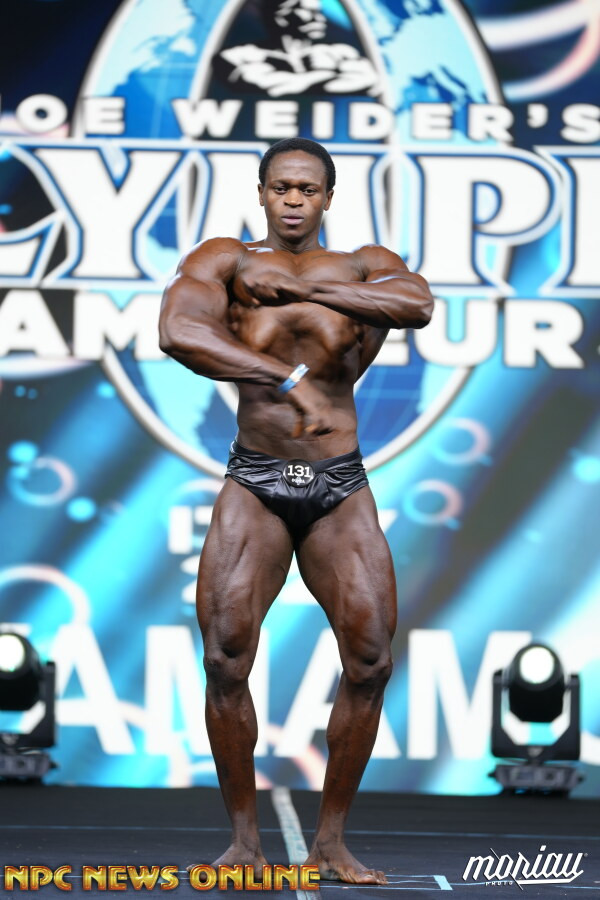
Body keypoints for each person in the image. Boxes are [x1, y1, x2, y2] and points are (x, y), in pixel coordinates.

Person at [159, 137, 433, 885]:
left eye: (307, 189)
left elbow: (416, 304)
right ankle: (245, 842)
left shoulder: (363, 265)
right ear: (261, 192)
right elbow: (178, 331)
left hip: (339, 484)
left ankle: (331, 844)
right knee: (224, 657)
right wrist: (286, 379)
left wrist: (308, 292)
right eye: (280, 187)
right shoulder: (227, 261)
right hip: (256, 481)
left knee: (371, 660)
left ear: (327, 198)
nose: (292, 200)